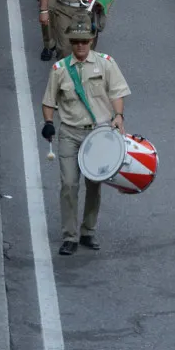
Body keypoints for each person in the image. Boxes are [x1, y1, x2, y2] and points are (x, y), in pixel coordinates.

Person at [41, 18, 130, 255]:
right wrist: (48, 122)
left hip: (98, 134)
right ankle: (69, 236)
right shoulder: (59, 70)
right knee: (69, 184)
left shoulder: (106, 64)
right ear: (71, 43)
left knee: (94, 185)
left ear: (92, 41)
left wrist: (118, 115)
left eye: (84, 41)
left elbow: (117, 92)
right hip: (69, 133)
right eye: (76, 42)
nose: (80, 46)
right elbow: (49, 101)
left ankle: (88, 231)